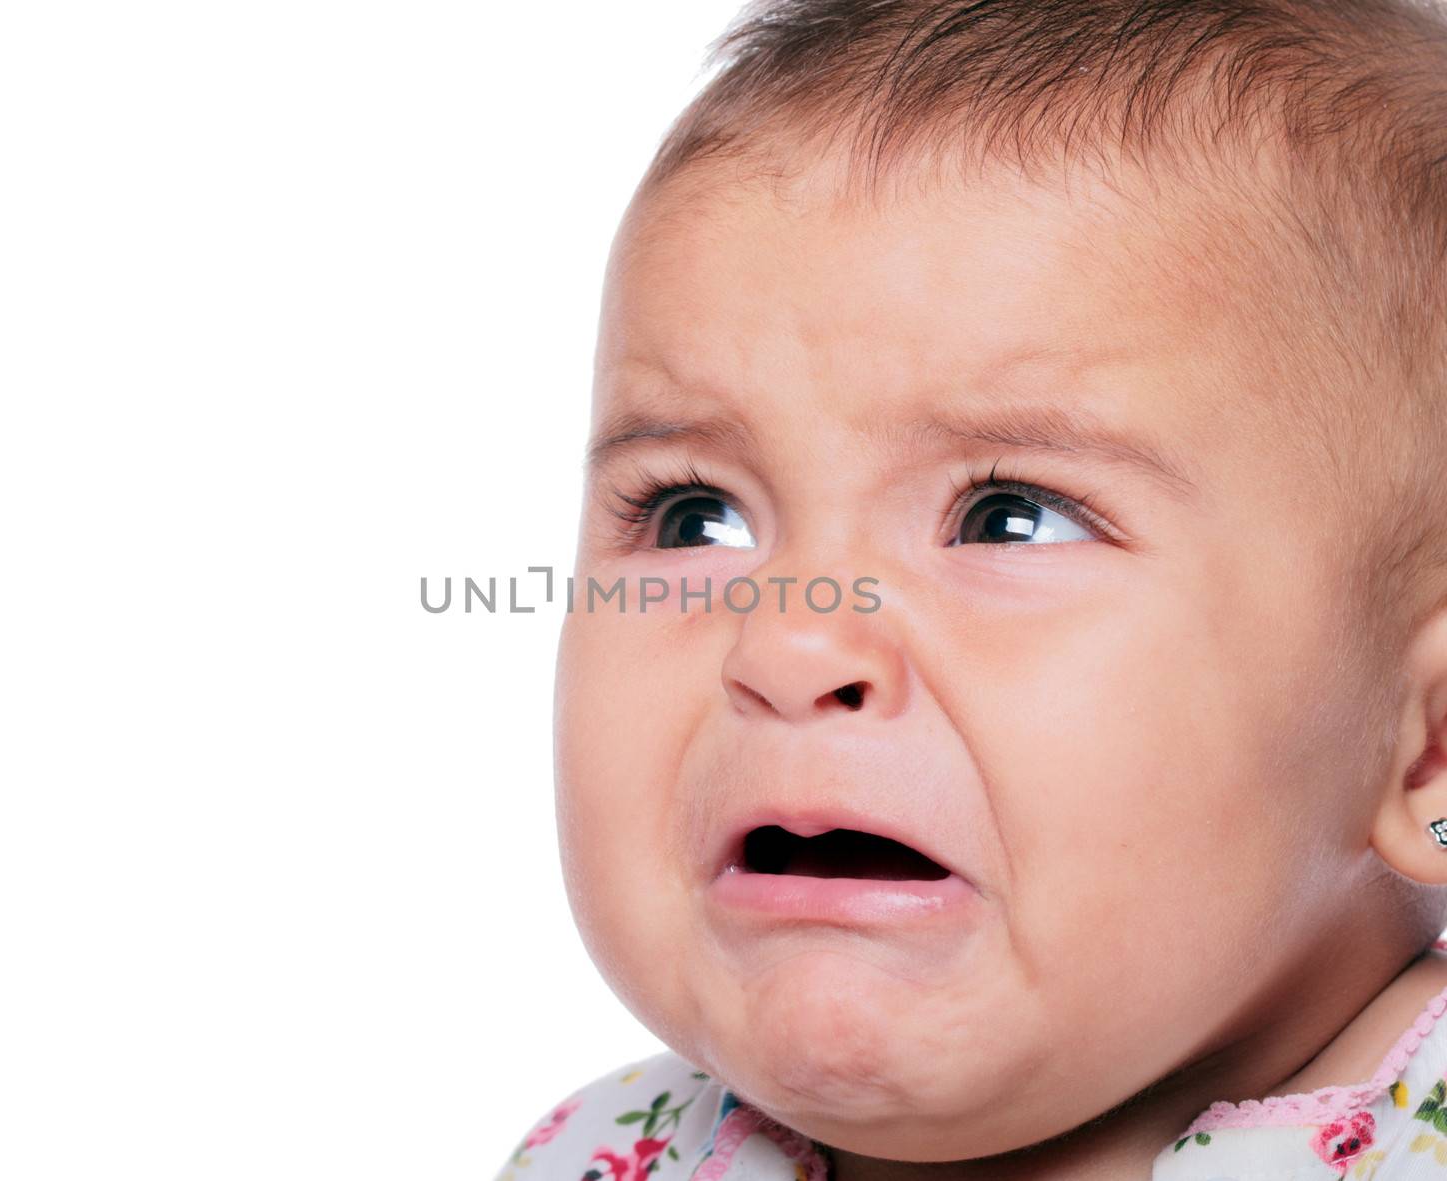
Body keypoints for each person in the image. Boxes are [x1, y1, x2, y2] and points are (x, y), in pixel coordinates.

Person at [498, 1, 1447, 1176]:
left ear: (1427, 747)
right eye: (696, 514)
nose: (789, 644)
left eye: (1008, 516)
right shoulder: (604, 1155)